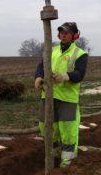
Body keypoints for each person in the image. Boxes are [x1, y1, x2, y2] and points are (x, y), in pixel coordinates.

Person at [34, 22, 88, 168]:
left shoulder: (80, 54)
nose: (63, 35)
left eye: (67, 33)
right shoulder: (52, 51)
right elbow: (41, 66)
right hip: (49, 96)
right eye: (61, 33)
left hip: (67, 99)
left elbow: (80, 74)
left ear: (74, 36)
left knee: (68, 131)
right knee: (45, 126)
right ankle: (54, 153)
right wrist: (38, 77)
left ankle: (67, 161)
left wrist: (66, 76)